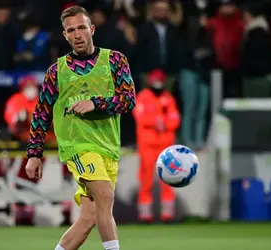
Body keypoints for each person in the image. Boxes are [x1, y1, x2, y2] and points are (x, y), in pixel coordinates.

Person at [24, 6, 136, 250]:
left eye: (82, 28)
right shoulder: (56, 72)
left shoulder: (115, 60)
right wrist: (34, 154)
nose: (77, 34)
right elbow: (41, 112)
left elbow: (128, 100)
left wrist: (95, 104)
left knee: (88, 218)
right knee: (105, 196)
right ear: (65, 35)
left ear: (92, 29)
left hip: (108, 147)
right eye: (71, 30)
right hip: (78, 146)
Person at [133, 69, 180, 223]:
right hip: (147, 145)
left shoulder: (168, 98)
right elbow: (139, 116)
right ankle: (145, 215)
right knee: (146, 180)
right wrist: (155, 121)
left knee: (168, 180)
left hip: (166, 146)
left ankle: (168, 215)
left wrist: (164, 123)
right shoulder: (143, 97)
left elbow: (175, 119)